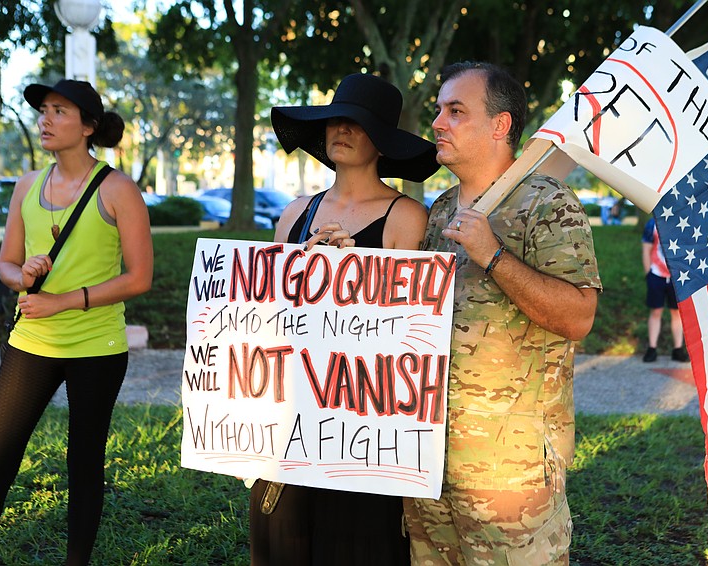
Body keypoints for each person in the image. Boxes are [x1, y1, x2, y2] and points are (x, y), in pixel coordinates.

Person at [405, 62, 602, 565]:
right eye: (439, 110)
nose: (438, 123)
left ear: (500, 125)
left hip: (509, 475)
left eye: (456, 111)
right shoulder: (442, 209)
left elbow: (579, 316)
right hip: (428, 463)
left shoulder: (547, 203)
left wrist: (492, 254)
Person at [248, 72, 439, 565]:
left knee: (355, 547)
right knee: (281, 545)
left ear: (383, 142)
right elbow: (257, 314)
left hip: (365, 426)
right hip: (292, 413)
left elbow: (414, 331)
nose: (342, 129)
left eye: (358, 123)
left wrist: (359, 279)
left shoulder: (405, 218)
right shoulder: (293, 215)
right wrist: (299, 274)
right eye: (336, 120)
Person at [0, 79, 153, 565]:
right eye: (44, 110)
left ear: (87, 127)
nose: (45, 119)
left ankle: (76, 561)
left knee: (83, 462)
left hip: (97, 346)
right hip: (31, 341)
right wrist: (20, 275)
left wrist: (63, 301)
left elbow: (140, 277)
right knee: (0, 449)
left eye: (59, 111)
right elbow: (4, 263)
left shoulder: (118, 189)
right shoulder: (26, 184)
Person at [641, 217, 688, 363]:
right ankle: (652, 348)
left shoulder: (683, 220)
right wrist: (648, 273)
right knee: (656, 311)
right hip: (656, 274)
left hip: (677, 275)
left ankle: (677, 348)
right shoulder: (652, 223)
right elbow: (646, 249)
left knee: (677, 312)